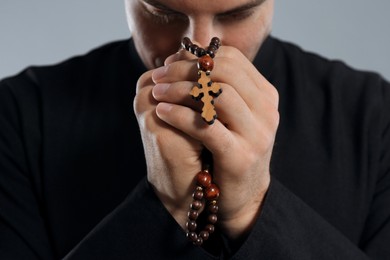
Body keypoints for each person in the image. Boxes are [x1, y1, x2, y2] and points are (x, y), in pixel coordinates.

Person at [0, 0, 389, 259]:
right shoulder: (17, 115)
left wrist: (253, 207)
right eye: (162, 13)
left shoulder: (374, 116)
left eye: (237, 14)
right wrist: (165, 205)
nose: (199, 48)